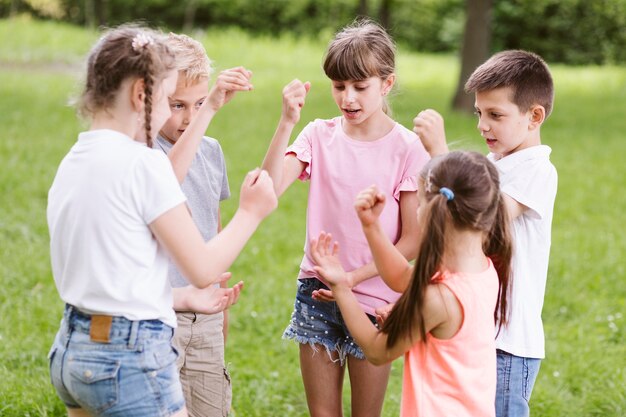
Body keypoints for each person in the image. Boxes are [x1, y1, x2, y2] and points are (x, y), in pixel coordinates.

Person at [46, 26, 276, 417]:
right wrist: (250, 212)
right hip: (128, 356)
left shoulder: (75, 161)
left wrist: (184, 298)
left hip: (73, 347)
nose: (174, 113)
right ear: (141, 95)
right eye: (170, 101)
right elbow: (202, 266)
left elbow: (109, 280)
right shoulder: (144, 163)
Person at [261, 19, 430, 417]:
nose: (348, 98)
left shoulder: (408, 148)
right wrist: (287, 122)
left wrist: (350, 280)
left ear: (386, 84)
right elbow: (265, 192)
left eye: (360, 87)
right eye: (339, 86)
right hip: (317, 292)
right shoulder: (318, 135)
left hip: (375, 301)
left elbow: (413, 240)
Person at [311, 151, 513, 417]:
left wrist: (341, 288)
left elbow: (377, 349)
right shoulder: (483, 268)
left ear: (433, 209)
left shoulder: (437, 299)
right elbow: (401, 279)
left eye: (419, 202)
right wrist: (372, 227)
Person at [413, 50, 557, 417]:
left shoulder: (537, 169)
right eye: (480, 113)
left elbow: (482, 221)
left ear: (534, 116)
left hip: (509, 343)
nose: (483, 125)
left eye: (496, 115)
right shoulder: (495, 164)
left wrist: (441, 154)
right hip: (477, 329)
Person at [152, 32, 253, 417]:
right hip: (160, 313)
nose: (188, 117)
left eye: (197, 103)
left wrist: (220, 304)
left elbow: (214, 229)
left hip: (206, 314)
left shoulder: (211, 152)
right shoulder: (145, 152)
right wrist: (210, 108)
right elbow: (164, 184)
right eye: (177, 105)